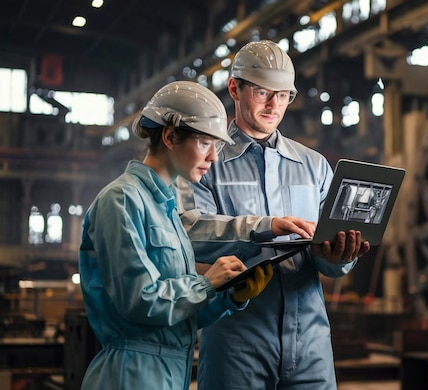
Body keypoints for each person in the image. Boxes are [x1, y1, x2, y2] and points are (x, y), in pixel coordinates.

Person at [78, 80, 313, 390]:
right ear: (170, 136)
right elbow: (139, 302)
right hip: (129, 374)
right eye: (205, 143)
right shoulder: (121, 201)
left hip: (169, 372)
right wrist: (208, 281)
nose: (214, 157)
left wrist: (228, 295)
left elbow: (177, 317)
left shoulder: (168, 209)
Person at [178, 40, 371, 389]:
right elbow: (188, 232)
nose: (273, 105)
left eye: (283, 95)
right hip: (237, 339)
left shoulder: (313, 166)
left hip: (311, 343)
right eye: (263, 93)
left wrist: (340, 256)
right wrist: (264, 228)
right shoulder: (206, 162)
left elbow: (332, 262)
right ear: (234, 88)